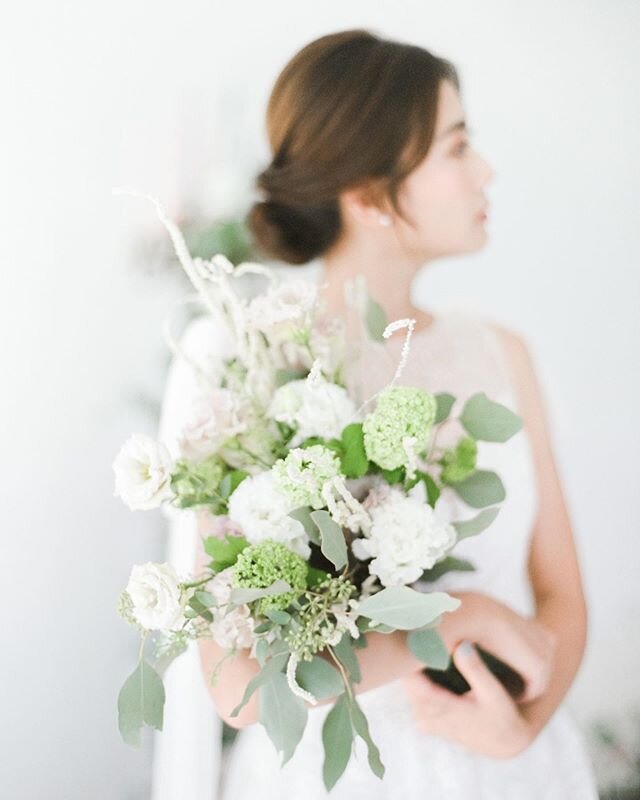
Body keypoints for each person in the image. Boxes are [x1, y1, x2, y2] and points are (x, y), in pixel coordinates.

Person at [154, 28, 600, 800]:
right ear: (366, 192)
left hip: (514, 767)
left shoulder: (502, 355)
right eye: (458, 147)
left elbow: (563, 600)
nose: (485, 170)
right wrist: (457, 620)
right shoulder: (253, 368)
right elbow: (238, 685)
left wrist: (523, 725)